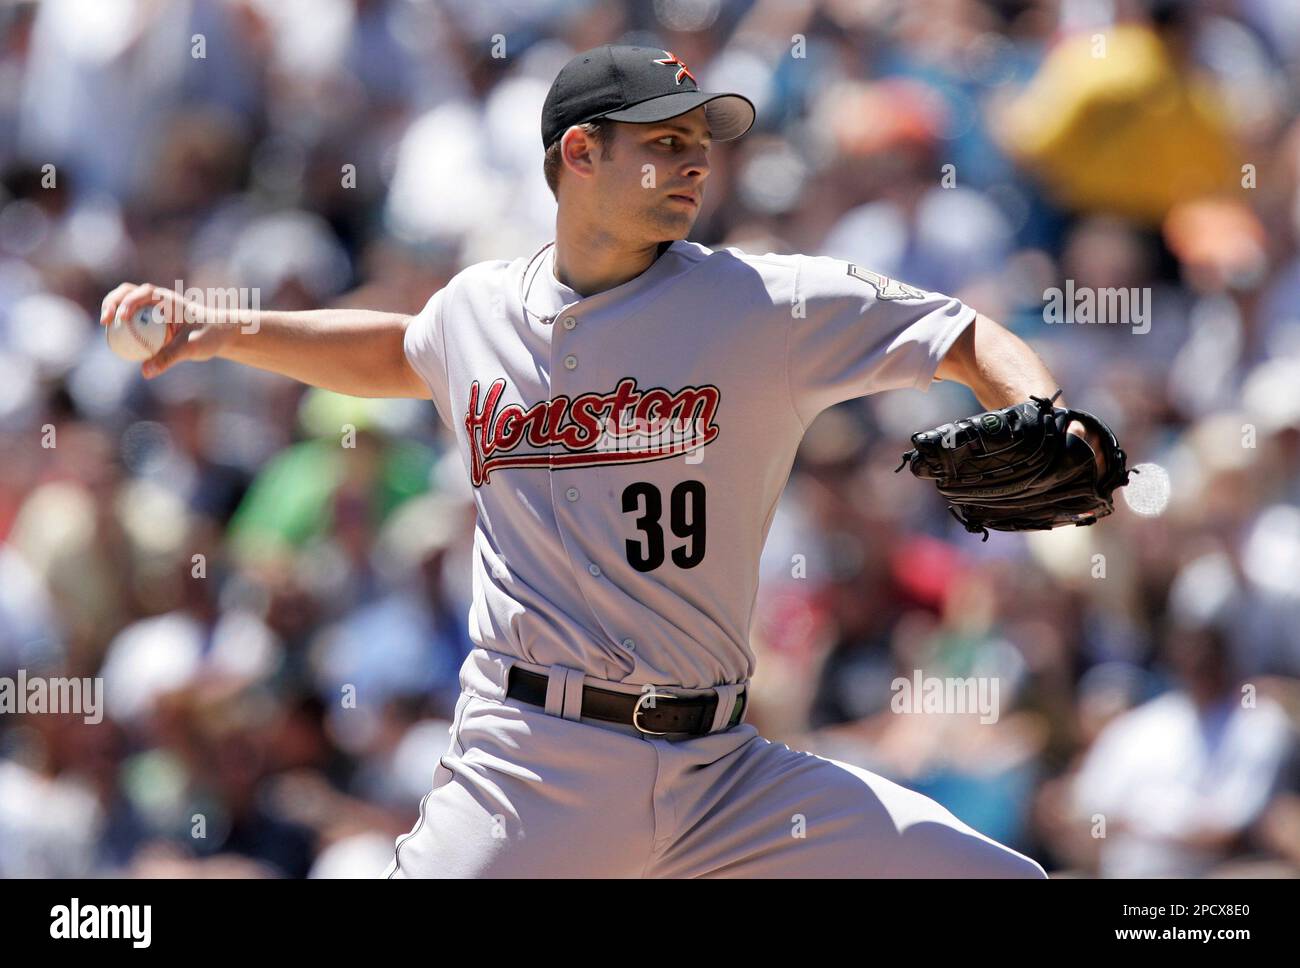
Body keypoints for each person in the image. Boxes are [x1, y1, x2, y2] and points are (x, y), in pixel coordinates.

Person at [102, 44, 1111, 877]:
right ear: (580, 152)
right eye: (664, 141)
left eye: (699, 143)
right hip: (531, 767)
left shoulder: (761, 302)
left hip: (725, 774)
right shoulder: (479, 309)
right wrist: (221, 329)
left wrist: (1039, 405)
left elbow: (959, 331)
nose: (694, 162)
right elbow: (399, 348)